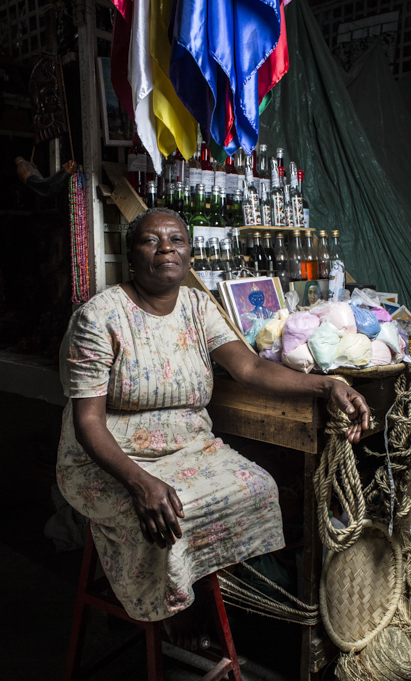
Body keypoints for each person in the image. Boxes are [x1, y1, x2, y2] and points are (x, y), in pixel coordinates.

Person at [56, 209, 370, 649]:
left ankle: (197, 588)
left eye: (177, 240)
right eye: (151, 241)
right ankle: (168, 606)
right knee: (165, 514)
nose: (166, 248)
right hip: (111, 459)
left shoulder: (199, 306)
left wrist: (327, 385)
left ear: (189, 254)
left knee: (257, 486)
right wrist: (140, 482)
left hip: (187, 447)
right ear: (131, 257)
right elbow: (87, 422)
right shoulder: (99, 318)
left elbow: (251, 368)